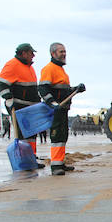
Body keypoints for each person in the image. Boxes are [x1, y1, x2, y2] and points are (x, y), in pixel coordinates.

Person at [38, 42, 85, 175]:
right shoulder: (49, 69)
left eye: (65, 51)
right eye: (61, 52)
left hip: (63, 108)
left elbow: (64, 90)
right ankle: (56, 166)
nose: (64, 54)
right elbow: (42, 88)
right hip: (55, 110)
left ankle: (60, 162)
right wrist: (52, 104)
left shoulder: (61, 70)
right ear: (53, 54)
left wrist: (76, 89)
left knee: (63, 135)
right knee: (57, 136)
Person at [0, 43, 44, 168]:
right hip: (19, 107)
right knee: (23, 136)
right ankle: (24, 161)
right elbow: (1, 84)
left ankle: (31, 159)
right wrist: (8, 98)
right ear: (23, 53)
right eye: (31, 53)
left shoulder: (29, 67)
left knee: (32, 135)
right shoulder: (12, 65)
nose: (33, 56)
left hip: (31, 107)